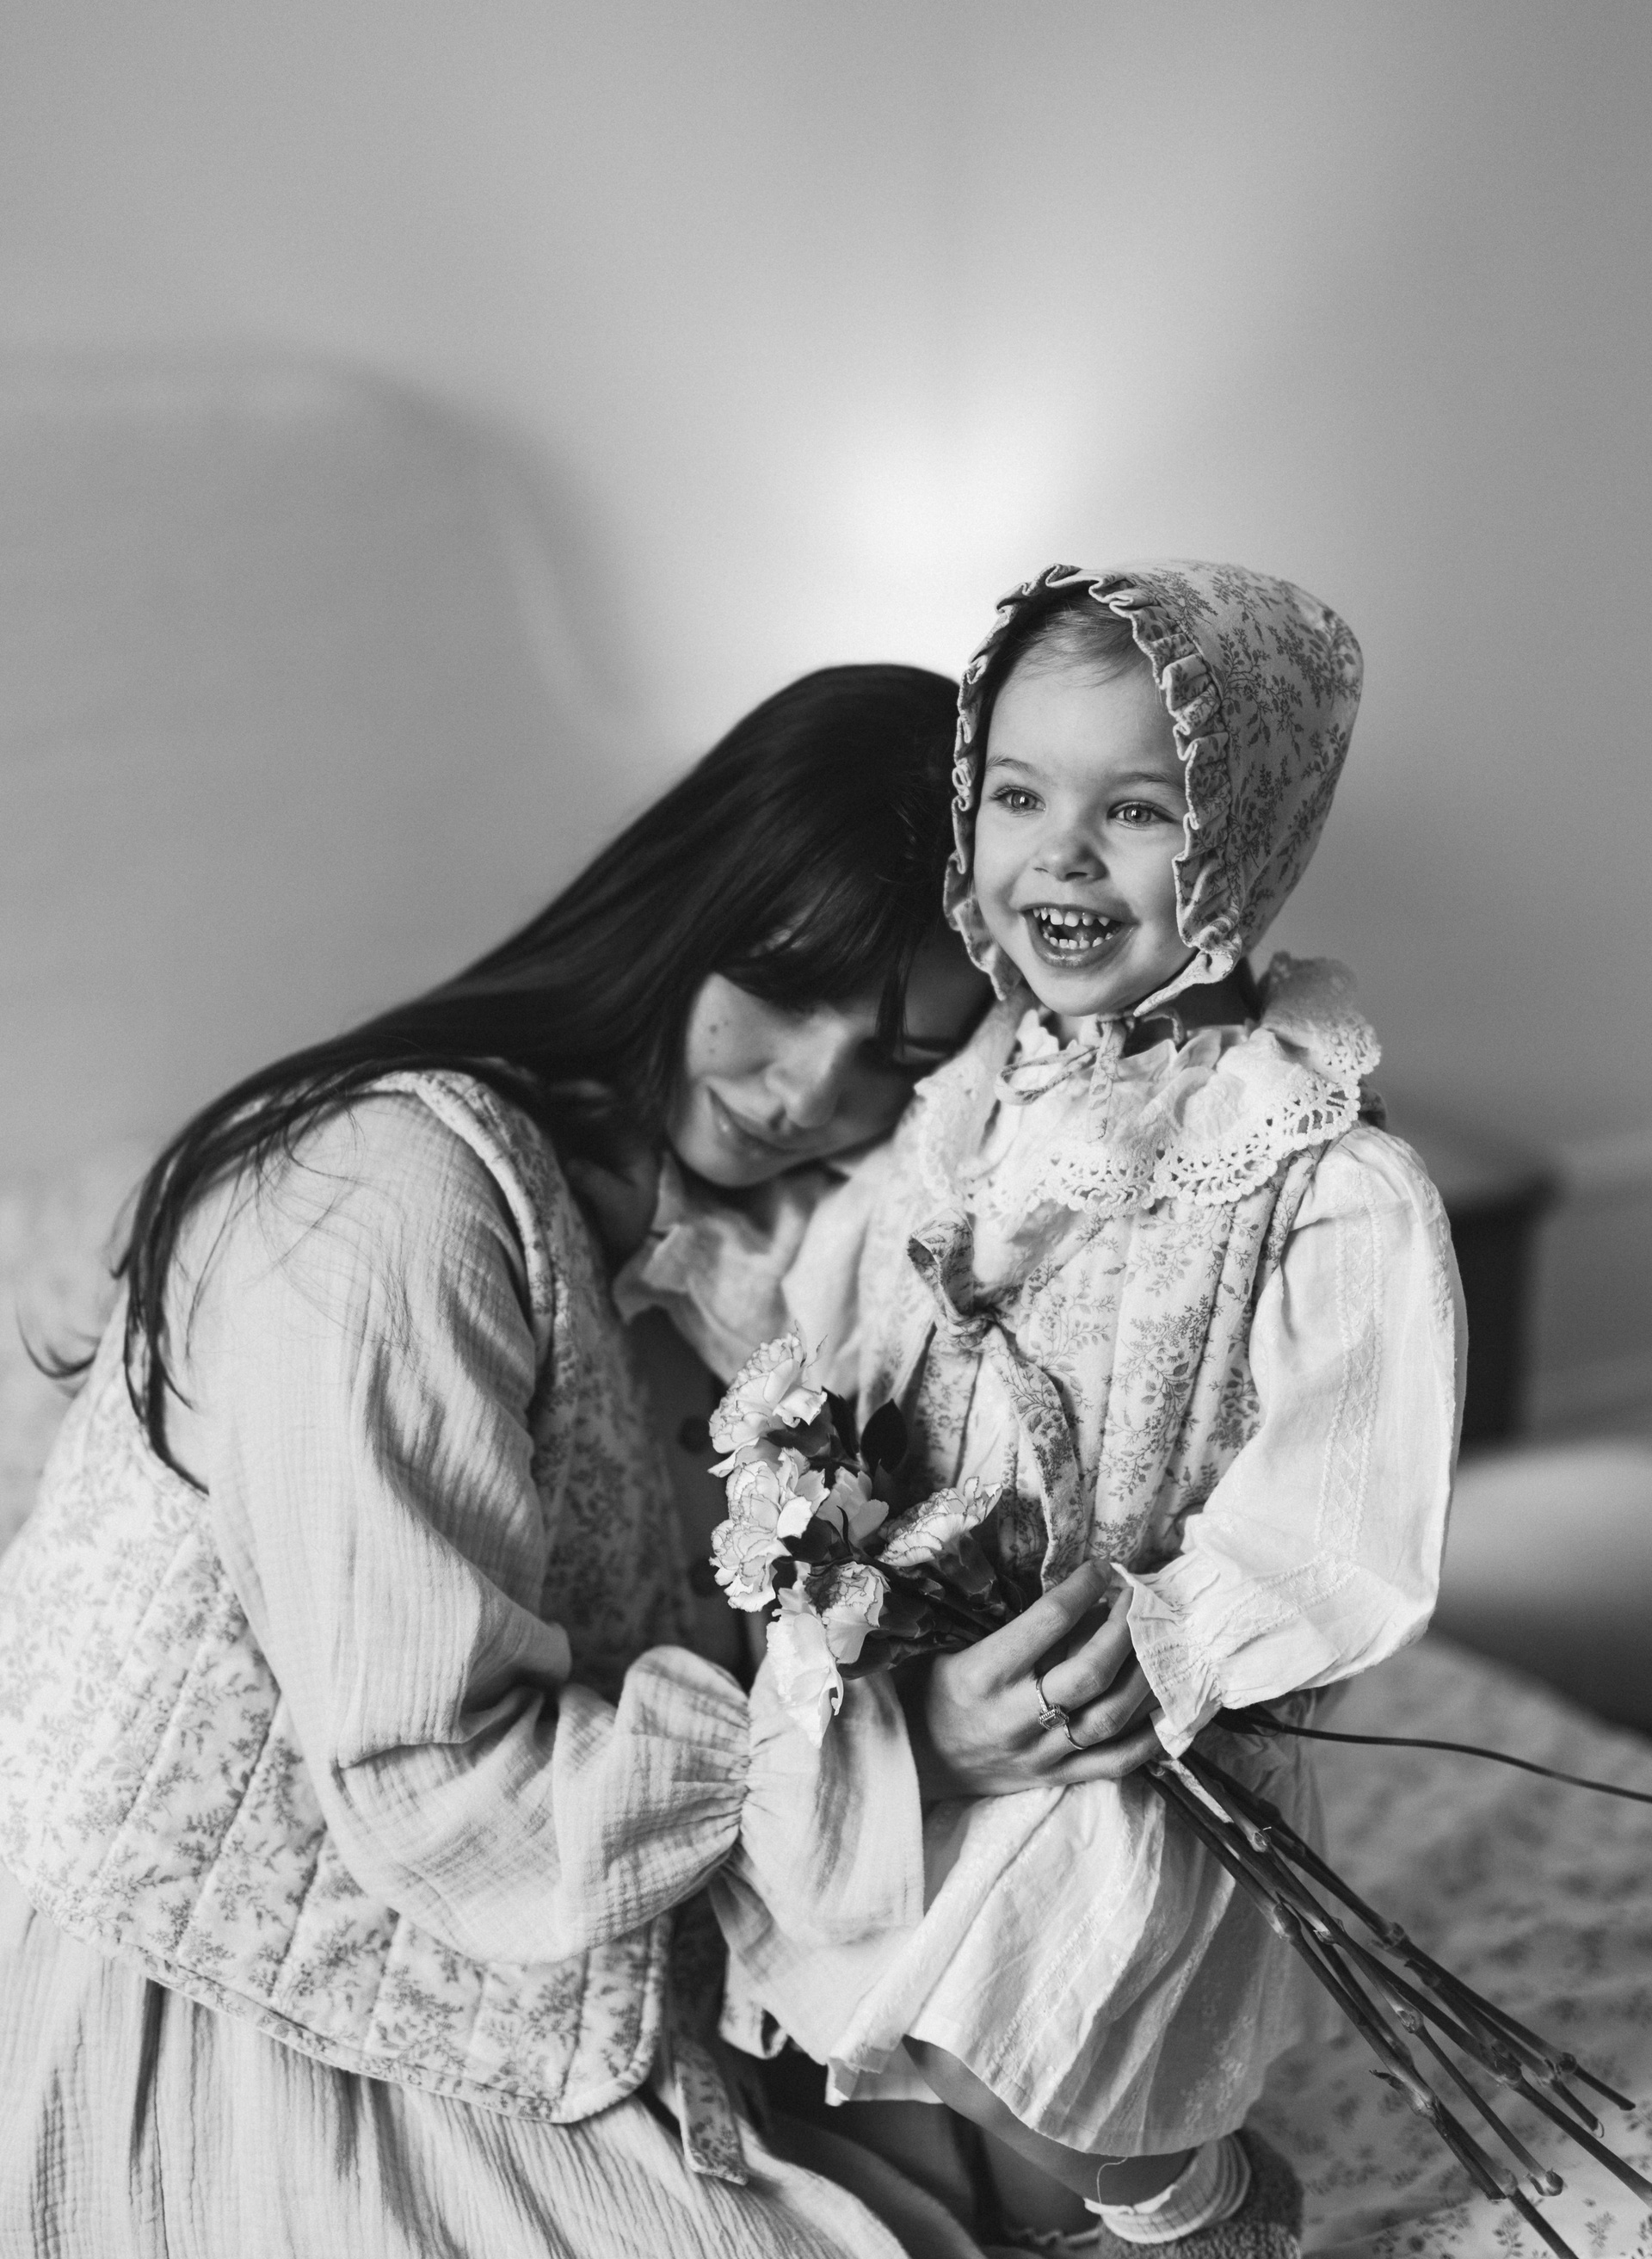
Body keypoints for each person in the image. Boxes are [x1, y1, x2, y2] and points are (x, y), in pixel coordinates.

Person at [0, 660, 1130, 2259]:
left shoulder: (730, 1238)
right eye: (783, 985)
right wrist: (902, 1752)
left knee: (1066, 2142)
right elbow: (431, 1779)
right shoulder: (387, 1200)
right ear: (682, 909)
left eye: (895, 1054)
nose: (809, 1087)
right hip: (244, 1988)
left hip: (561, 1921)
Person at [663, 568, 1464, 2256]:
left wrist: (1169, 1644)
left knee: (1047, 2079)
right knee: (864, 2055)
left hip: (1124, 1729)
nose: (1063, 856)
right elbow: (844, 1314)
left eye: (1139, 812)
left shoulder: (1317, 1176)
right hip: (931, 1670)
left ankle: (1200, 2202)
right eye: (1019, 797)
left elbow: (1340, 1507)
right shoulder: (967, 1103)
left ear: (1244, 840)